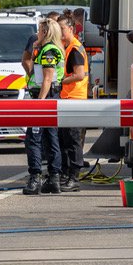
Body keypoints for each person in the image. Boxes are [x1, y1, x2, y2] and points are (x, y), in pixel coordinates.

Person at [23, 17, 65, 195]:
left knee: (33, 138)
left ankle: (35, 178)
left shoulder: (48, 50)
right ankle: (53, 179)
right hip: (50, 98)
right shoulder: (48, 49)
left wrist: (39, 103)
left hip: (44, 98)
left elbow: (47, 78)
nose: (36, 34)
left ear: (46, 32)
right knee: (51, 137)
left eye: (39, 31)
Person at [57, 13, 88, 192]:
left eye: (62, 29)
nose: (60, 32)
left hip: (75, 100)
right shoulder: (68, 47)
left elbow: (79, 75)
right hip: (68, 99)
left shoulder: (75, 49)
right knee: (66, 139)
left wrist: (60, 81)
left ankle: (73, 177)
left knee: (73, 140)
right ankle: (67, 174)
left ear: (71, 29)